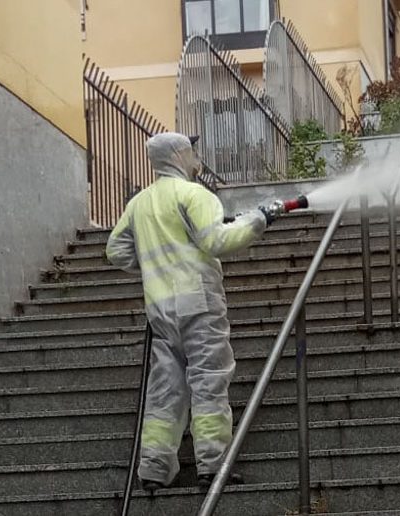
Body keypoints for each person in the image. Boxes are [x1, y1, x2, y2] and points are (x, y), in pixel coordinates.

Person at [106, 132, 276, 492]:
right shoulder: (194, 195)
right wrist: (255, 221)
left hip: (160, 308)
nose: (197, 157)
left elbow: (116, 252)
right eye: (193, 150)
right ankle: (212, 467)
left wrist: (158, 266)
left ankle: (153, 469)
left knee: (166, 387)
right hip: (198, 303)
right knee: (208, 380)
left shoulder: (140, 203)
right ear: (180, 154)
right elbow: (216, 240)